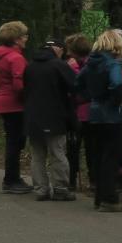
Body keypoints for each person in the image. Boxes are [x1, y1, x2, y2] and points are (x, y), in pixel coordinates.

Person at [81, 28, 122, 210]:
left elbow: (77, 83)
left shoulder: (90, 64)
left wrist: (91, 96)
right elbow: (117, 84)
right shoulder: (113, 64)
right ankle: (109, 199)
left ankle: (99, 197)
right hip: (111, 115)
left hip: (94, 114)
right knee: (112, 157)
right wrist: (117, 100)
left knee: (98, 156)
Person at [23, 37, 79, 202]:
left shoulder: (30, 66)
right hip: (55, 115)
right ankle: (60, 188)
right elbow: (75, 86)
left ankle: (41, 189)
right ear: (58, 49)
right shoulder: (59, 65)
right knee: (57, 152)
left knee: (37, 155)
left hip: (33, 116)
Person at [0, 21, 32, 194]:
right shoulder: (16, 58)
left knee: (13, 141)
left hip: (2, 100)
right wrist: (29, 99)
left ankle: (13, 177)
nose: (26, 38)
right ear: (16, 39)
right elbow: (19, 85)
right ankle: (10, 180)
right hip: (15, 104)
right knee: (16, 142)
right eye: (24, 36)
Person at [65, 34, 93, 190]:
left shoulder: (87, 66)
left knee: (88, 147)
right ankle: (72, 179)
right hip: (78, 112)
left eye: (70, 50)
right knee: (74, 148)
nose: (68, 53)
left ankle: (91, 179)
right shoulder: (80, 64)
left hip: (85, 112)